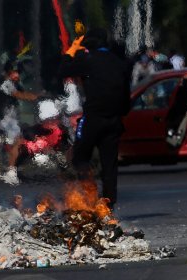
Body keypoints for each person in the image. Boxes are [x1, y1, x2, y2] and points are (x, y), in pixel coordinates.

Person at [58, 27, 131, 209]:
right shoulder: (119, 62)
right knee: (109, 165)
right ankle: (108, 206)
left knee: (80, 157)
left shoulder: (87, 59)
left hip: (93, 119)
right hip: (114, 120)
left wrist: (72, 49)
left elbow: (63, 69)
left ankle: (88, 196)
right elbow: (126, 95)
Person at [0, 59, 41, 185]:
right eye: (14, 72)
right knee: (18, 140)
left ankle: (18, 164)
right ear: (8, 73)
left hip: (10, 118)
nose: (17, 75)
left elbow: (24, 92)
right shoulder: (4, 83)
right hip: (2, 118)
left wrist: (41, 95)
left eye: (18, 72)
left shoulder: (13, 82)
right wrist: (36, 97)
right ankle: (10, 173)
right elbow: (18, 95)